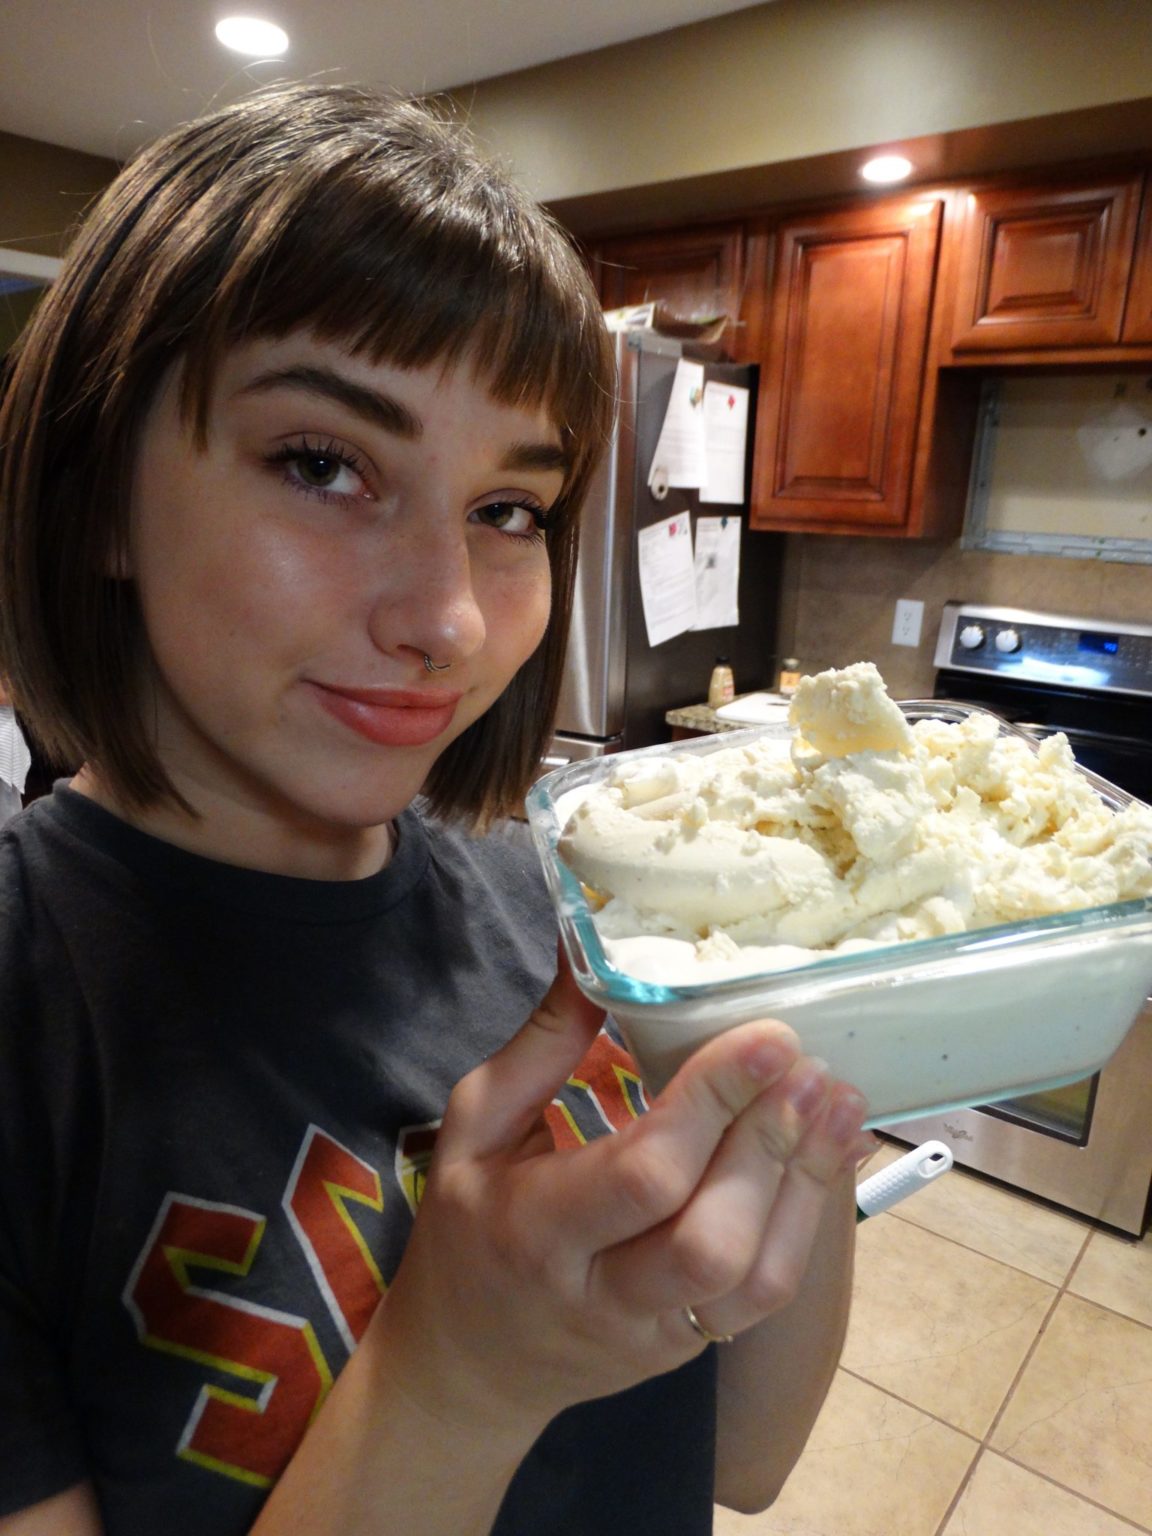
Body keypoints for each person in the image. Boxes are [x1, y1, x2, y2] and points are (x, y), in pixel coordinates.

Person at [0, 83, 872, 1536]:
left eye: (509, 509)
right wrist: (457, 1377)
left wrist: (816, 1081)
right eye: (325, 465)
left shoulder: (570, 907)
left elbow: (750, 1457)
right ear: (100, 492)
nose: (453, 620)